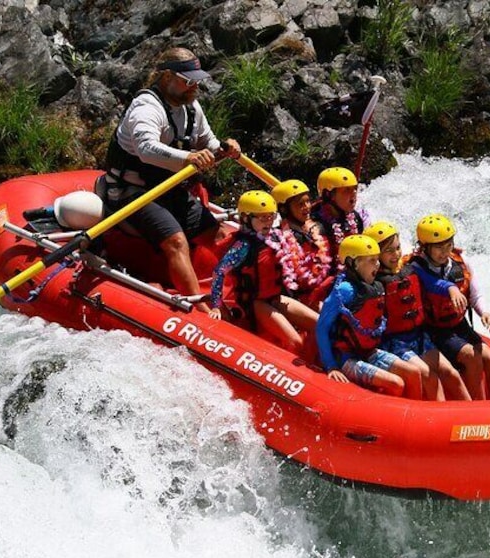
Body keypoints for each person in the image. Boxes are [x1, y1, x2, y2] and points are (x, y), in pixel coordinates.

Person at [98, 46, 241, 313]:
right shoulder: (145, 107)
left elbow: (208, 142)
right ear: (166, 77)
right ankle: (199, 310)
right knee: (176, 242)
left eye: (197, 81)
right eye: (188, 81)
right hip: (133, 193)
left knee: (220, 234)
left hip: (168, 189)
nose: (194, 87)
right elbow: (146, 148)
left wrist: (225, 147)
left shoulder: (191, 107)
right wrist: (188, 158)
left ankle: (242, 291)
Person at [364, 221, 469, 401]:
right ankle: (443, 421)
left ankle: (473, 416)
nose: (396, 254)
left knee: (451, 373)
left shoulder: (410, 269)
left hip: (419, 337)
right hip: (394, 342)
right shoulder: (373, 282)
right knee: (428, 375)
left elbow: (434, 283)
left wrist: (451, 288)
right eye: (389, 251)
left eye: (397, 248)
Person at [208, 191, 318, 355]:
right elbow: (219, 273)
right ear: (246, 218)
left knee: (320, 325)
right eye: (262, 218)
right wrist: (217, 305)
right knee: (295, 342)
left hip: (276, 297)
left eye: (271, 216)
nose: (268, 222)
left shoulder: (276, 236)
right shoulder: (242, 247)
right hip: (256, 302)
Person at [409, 214, 490, 400]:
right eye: (438, 247)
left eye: (448, 245)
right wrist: (451, 289)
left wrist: (484, 313)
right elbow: (433, 283)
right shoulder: (416, 267)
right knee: (471, 356)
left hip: (458, 326)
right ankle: (479, 411)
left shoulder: (461, 262)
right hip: (433, 330)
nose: (445, 252)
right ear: (424, 247)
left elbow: (475, 294)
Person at [316, 234, 423, 399]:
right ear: (354, 264)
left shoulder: (375, 286)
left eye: (377, 259)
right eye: (371, 260)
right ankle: (393, 421)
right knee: (396, 383)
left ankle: (419, 417)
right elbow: (322, 328)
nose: (378, 264)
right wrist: (331, 366)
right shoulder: (344, 290)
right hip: (345, 357)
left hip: (368, 351)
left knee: (414, 372)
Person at [269, 179, 334, 309]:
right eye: (300, 204)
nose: (307, 207)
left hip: (325, 289)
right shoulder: (278, 238)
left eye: (308, 201)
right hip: (298, 298)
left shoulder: (319, 227)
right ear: (284, 209)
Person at [310, 167, 368, 272]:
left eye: (355, 188)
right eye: (347, 189)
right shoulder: (315, 226)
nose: (354, 193)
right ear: (329, 195)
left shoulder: (356, 218)